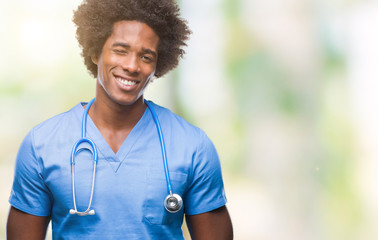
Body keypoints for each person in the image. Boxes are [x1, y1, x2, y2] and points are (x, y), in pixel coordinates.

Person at [6, 0, 233, 239]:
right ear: (95, 52)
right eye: (120, 50)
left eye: (146, 57)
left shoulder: (192, 146)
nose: (132, 66)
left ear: (158, 64)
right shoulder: (41, 145)